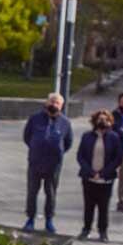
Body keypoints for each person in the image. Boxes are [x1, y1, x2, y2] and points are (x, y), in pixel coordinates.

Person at [23, 92, 73, 233]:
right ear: (46, 103)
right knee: (32, 192)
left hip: (54, 165)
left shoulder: (65, 123)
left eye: (57, 103)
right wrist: (36, 147)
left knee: (50, 193)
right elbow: (27, 137)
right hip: (35, 162)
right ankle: (30, 219)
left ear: (61, 106)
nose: (54, 105)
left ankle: (49, 220)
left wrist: (57, 152)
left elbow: (68, 143)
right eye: (52, 101)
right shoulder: (35, 119)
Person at [76, 109, 123, 242]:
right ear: (95, 121)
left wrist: (102, 173)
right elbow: (80, 156)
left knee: (104, 207)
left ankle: (103, 231)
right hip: (89, 178)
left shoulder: (114, 137)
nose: (102, 121)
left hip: (106, 180)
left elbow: (117, 158)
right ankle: (86, 229)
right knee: (88, 206)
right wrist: (91, 172)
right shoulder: (87, 136)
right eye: (100, 119)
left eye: (106, 119)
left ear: (110, 122)